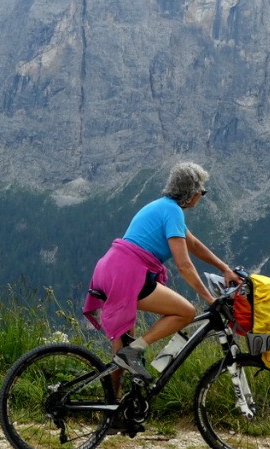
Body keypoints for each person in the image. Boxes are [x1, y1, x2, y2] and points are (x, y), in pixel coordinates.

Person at [83, 161, 240, 382]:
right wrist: (209, 298)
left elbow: (193, 244)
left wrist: (224, 268)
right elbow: (184, 265)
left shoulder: (163, 206)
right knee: (185, 312)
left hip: (109, 269)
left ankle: (114, 406)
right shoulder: (173, 212)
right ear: (191, 193)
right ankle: (134, 351)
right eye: (202, 192)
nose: (202, 197)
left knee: (122, 349)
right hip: (126, 274)